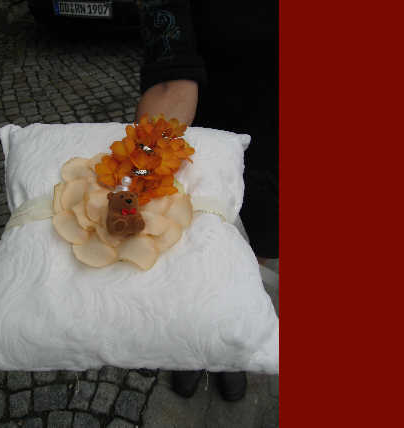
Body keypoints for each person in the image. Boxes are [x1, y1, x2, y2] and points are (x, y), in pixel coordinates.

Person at [135, 0, 278, 401]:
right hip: (200, 159)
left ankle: (226, 354)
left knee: (246, 269)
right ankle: (190, 351)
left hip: (275, 163)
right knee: (191, 264)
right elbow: (171, 83)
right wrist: (140, 175)